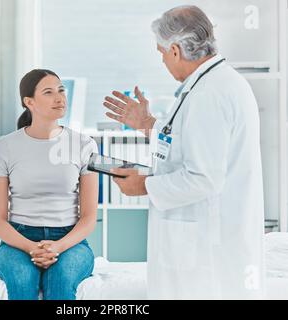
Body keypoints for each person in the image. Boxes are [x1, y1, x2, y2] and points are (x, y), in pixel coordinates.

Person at [103, 5, 265, 299]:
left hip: (206, 251)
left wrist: (143, 185)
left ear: (175, 50)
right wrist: (147, 124)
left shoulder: (208, 95)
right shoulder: (212, 84)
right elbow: (192, 144)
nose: (163, 61)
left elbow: (203, 179)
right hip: (205, 241)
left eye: (161, 52)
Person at [0, 69, 98, 300]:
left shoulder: (84, 145)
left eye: (61, 90)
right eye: (48, 92)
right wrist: (31, 248)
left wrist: (58, 247)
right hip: (18, 239)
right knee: (21, 277)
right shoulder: (4, 148)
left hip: (70, 240)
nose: (59, 98)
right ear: (29, 102)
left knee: (61, 278)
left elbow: (88, 218)